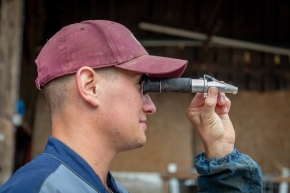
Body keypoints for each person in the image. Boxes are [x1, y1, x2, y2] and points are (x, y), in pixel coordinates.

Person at [0, 20, 262, 193]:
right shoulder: (37, 188)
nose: (150, 107)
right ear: (90, 86)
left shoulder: (107, 188)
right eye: (142, 86)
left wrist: (221, 154)